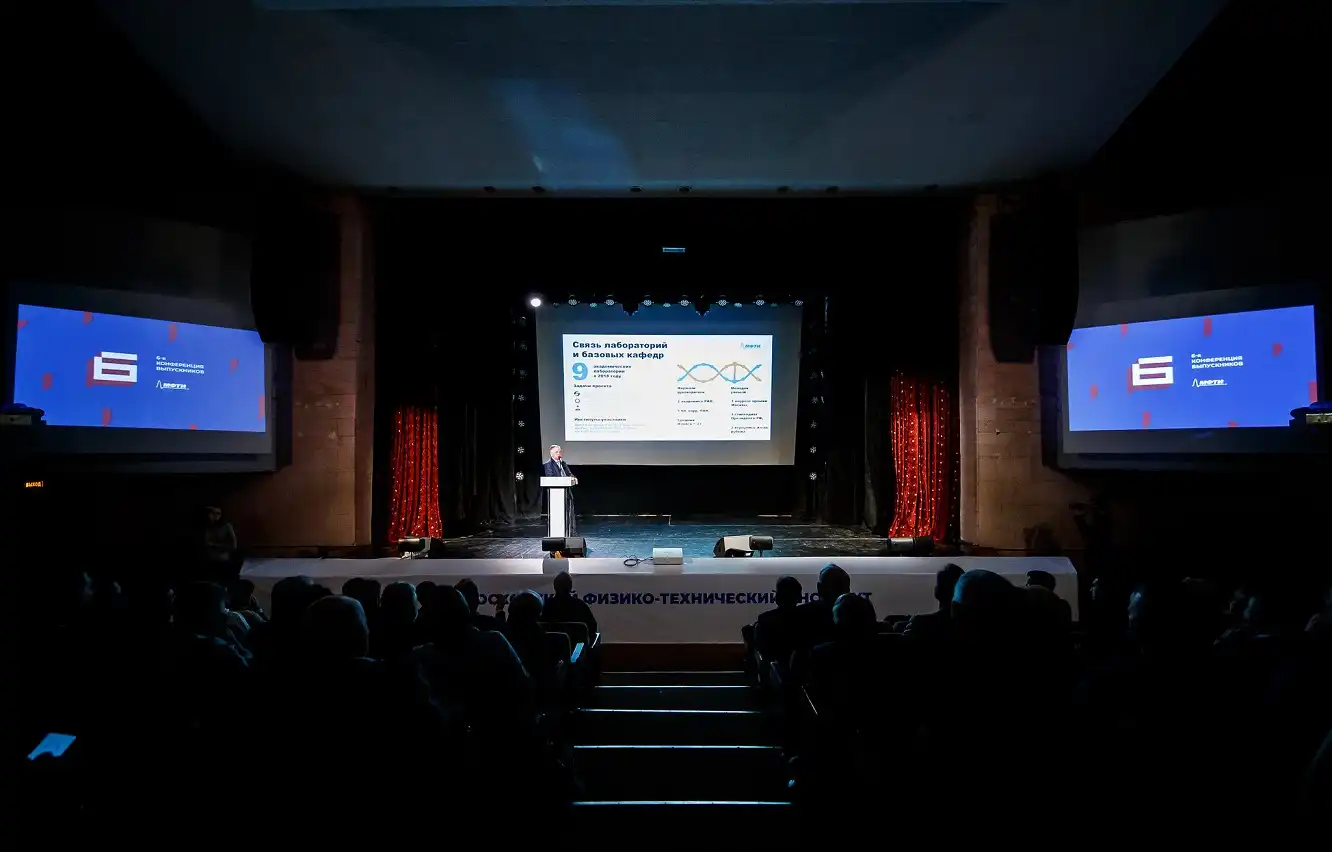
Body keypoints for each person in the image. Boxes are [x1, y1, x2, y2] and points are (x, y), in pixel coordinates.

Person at [542, 444, 578, 535]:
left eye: (559, 452)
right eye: (556, 452)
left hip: (566, 491)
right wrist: (562, 480)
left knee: (569, 511)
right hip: (556, 493)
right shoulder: (548, 465)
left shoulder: (563, 463)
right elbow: (550, 478)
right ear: (551, 454)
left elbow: (569, 474)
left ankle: (571, 531)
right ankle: (559, 531)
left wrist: (573, 478)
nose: (559, 453)